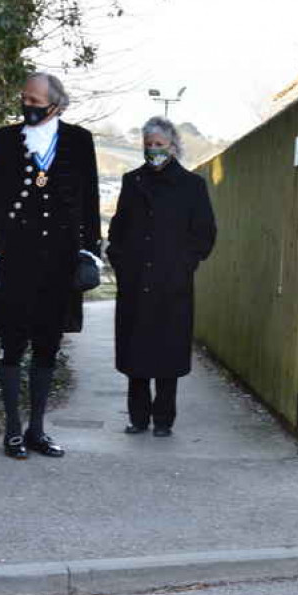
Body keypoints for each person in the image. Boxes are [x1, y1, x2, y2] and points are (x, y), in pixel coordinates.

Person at [0, 72, 102, 459]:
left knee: (48, 345)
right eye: (24, 98)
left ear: (56, 104)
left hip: (59, 261)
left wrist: (89, 253)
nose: (27, 105)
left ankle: (37, 431)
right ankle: (12, 430)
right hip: (13, 257)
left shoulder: (79, 141)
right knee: (12, 344)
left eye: (34, 100)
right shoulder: (5, 140)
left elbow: (90, 201)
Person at [106, 117, 216, 437]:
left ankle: (164, 419)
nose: (153, 150)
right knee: (136, 353)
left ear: (173, 147)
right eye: (148, 145)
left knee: (168, 353)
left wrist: (184, 265)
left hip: (173, 284)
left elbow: (204, 234)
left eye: (159, 145)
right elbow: (118, 229)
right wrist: (122, 263)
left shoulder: (192, 186)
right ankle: (138, 418)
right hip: (136, 282)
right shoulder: (132, 181)